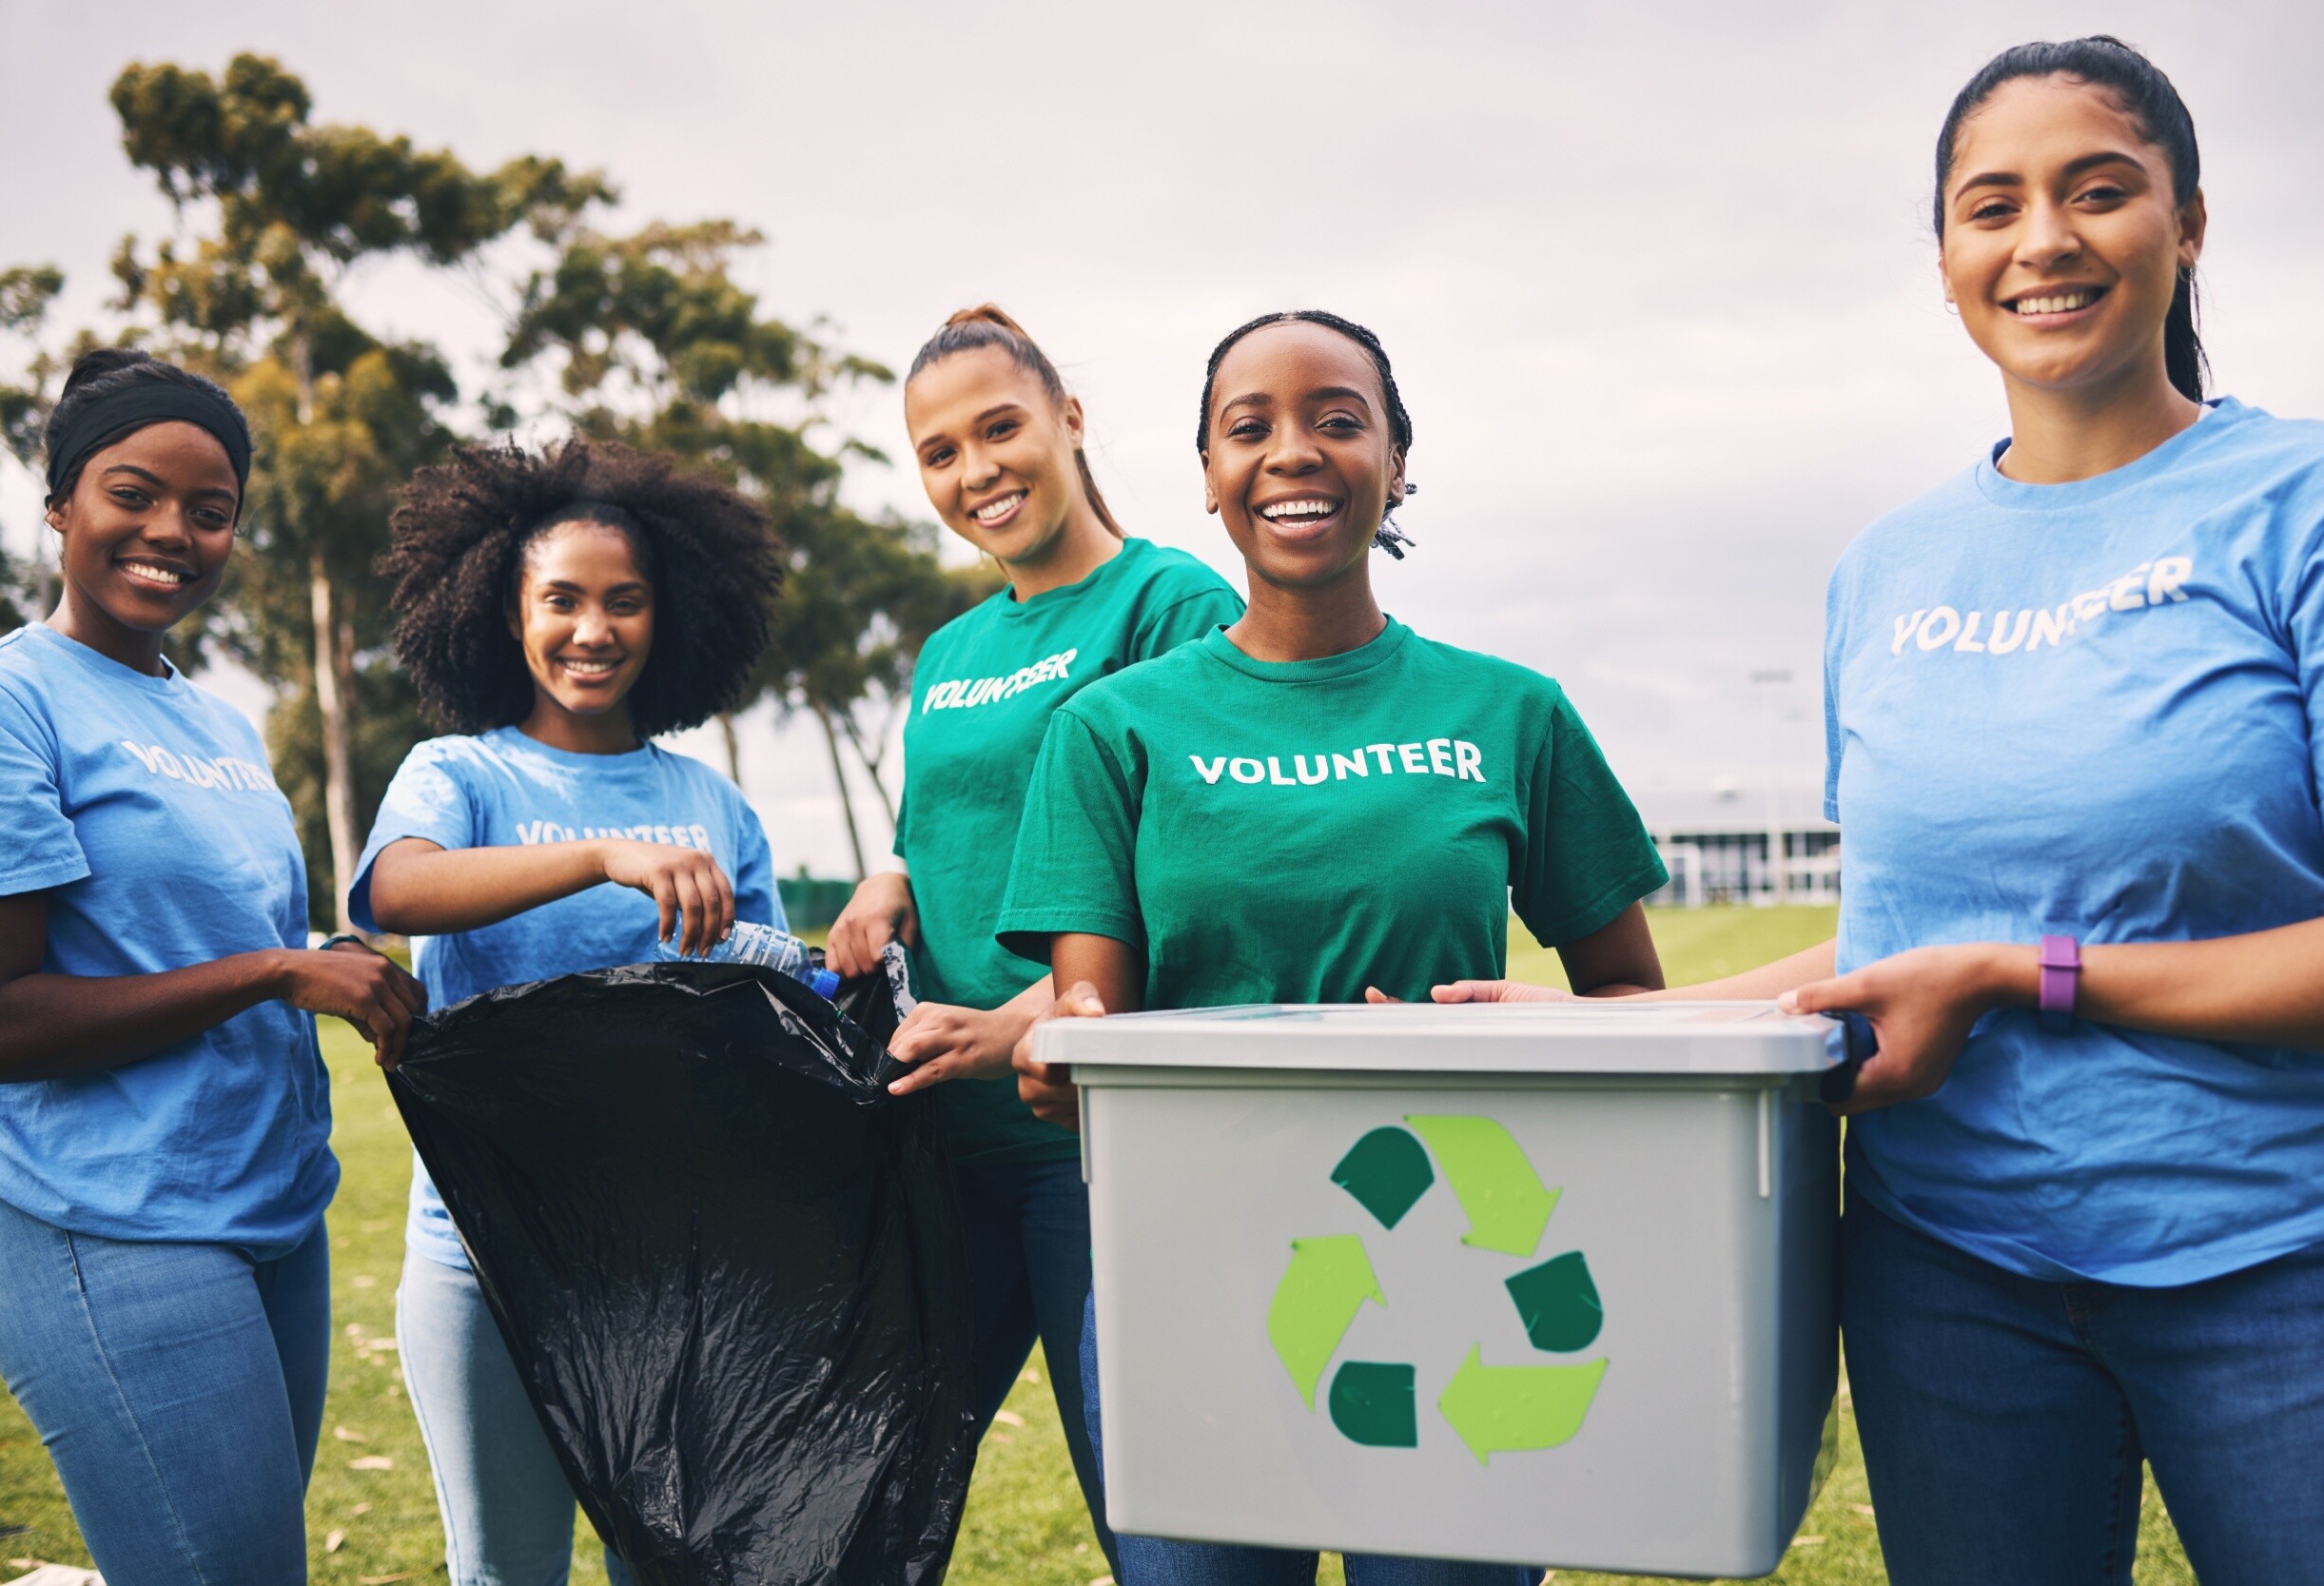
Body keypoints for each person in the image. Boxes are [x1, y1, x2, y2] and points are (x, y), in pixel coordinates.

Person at [1428, 37, 2324, 1586]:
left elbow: (1976, 959)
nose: (2043, 238)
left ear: (2187, 223)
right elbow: (1895, 941)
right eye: (1994, 205)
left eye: (2099, 190)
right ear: (1945, 260)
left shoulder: (2307, 501)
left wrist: (2017, 974)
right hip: (1948, 1280)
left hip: (2277, 1272)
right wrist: (1593, 1023)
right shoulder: (1889, 571)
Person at [1000, 310, 1671, 1585]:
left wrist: (1546, 1023)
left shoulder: (1511, 710)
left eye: (1337, 419)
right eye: (1248, 427)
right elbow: (1088, 1013)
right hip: (1186, 1271)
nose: (1292, 451)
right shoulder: (1113, 728)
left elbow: (1633, 995)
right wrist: (1062, 1044)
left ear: (1398, 461)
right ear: (1207, 475)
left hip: (1465, 1265)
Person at [0, 348, 424, 1583]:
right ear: (60, 502)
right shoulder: (4, 704)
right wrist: (276, 973)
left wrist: (320, 955)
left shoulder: (216, 719)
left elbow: (226, 934)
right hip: (105, 1215)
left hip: (272, 1211)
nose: (173, 530)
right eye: (133, 492)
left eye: (210, 510)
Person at [824, 305, 1243, 1570]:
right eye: (940, 452)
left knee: (1169, 1532)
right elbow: (943, 815)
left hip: (1097, 1141)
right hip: (942, 1151)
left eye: (1000, 427)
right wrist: (884, 877)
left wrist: (1032, 1014)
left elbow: (1200, 870)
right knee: (855, 1501)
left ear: (1068, 419)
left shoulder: (1170, 603)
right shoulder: (950, 650)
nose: (976, 470)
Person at [352, 436, 787, 1586]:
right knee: (508, 1568)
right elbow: (397, 887)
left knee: (673, 1561)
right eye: (562, 599)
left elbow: (772, 995)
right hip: (481, 1253)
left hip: (672, 1259)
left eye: (624, 602)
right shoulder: (461, 773)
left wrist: (841, 956)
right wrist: (602, 854)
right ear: (506, 610)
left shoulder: (712, 802)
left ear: (669, 617)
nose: (593, 630)